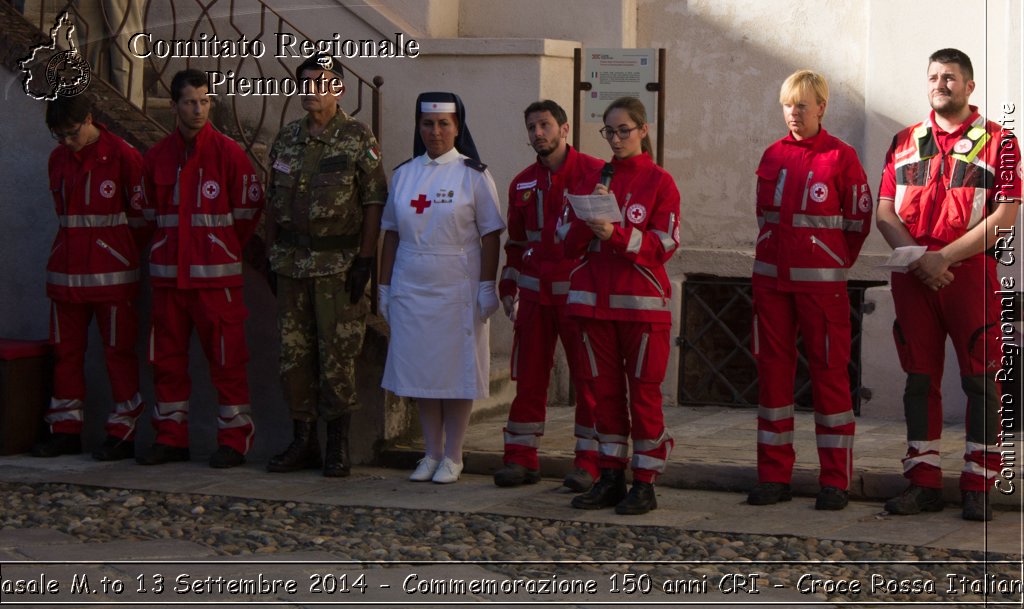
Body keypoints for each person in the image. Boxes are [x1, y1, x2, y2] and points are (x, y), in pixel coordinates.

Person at [876, 49, 1020, 522]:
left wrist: (943, 258)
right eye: (935, 76)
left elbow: (1005, 218)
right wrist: (921, 260)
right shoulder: (903, 140)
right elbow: (884, 212)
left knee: (981, 381)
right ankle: (923, 482)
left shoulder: (1001, 142)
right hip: (914, 274)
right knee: (920, 380)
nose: (941, 84)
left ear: (970, 87)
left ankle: (979, 484)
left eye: (951, 77)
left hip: (968, 274)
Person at [747, 70, 872, 511]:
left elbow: (857, 223)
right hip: (771, 287)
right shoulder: (772, 155)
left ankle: (835, 480)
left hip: (821, 289)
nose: (794, 113)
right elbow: (764, 216)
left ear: (821, 107)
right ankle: (773, 476)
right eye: (787, 105)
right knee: (773, 380)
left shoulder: (841, 157)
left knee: (830, 379)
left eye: (802, 105)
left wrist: (830, 260)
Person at [264, 54, 386, 477]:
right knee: (294, 357)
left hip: (337, 265)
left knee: (336, 355)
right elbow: (272, 202)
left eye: (323, 81)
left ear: (339, 89)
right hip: (291, 263)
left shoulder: (356, 137)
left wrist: (365, 261)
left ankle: (337, 445)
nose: (313, 88)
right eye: (307, 81)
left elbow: (373, 201)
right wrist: (269, 253)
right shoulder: (287, 138)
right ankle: (302, 442)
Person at [139, 69, 264, 468]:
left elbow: (247, 214)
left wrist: (218, 248)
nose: (199, 109)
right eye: (191, 102)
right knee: (167, 363)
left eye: (205, 101)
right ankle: (170, 438)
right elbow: (146, 215)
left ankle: (233, 440)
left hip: (216, 283)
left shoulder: (229, 154)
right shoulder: (157, 156)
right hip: (169, 282)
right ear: (174, 106)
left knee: (228, 362)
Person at [378, 91, 505, 484]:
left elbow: (490, 234)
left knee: (455, 370)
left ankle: (454, 453)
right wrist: (382, 287)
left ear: (457, 126)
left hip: (457, 285)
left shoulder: (474, 174)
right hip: (412, 283)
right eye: (428, 124)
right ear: (419, 126)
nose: (435, 132)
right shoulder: (404, 174)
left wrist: (488, 284)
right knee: (422, 371)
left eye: (444, 124)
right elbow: (392, 234)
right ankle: (430, 452)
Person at [562, 97, 680, 515]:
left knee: (643, 396)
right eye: (608, 132)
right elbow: (564, 242)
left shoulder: (660, 182)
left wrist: (615, 232)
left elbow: (663, 245)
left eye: (623, 130)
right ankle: (610, 476)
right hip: (593, 306)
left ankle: (645, 482)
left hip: (641, 309)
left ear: (643, 131)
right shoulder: (593, 178)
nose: (615, 139)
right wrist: (585, 218)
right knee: (603, 395)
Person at [493, 100, 605, 491]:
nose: (538, 133)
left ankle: (591, 462)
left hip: (579, 296)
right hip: (534, 297)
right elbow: (516, 242)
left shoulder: (594, 174)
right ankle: (520, 459)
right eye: (531, 127)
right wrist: (508, 285)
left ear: (564, 128)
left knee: (590, 379)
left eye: (544, 125)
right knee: (529, 378)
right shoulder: (522, 182)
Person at [32, 93, 147, 461]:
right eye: (59, 136)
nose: (66, 142)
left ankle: (122, 431)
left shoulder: (123, 156)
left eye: (70, 133)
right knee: (66, 353)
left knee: (119, 354)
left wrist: (117, 250)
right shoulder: (58, 159)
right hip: (66, 274)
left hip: (112, 277)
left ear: (89, 119)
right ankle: (65, 429)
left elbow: (142, 219)